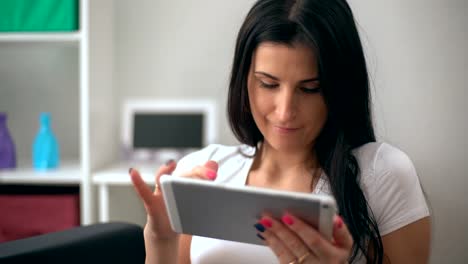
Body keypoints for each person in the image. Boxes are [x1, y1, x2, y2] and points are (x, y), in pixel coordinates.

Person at [129, 0, 431, 263]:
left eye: (310, 88)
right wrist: (161, 239)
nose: (285, 111)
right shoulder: (204, 170)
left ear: (339, 88)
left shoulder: (382, 174)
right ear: (244, 79)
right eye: (268, 84)